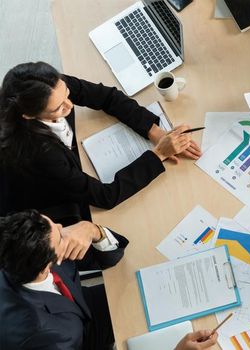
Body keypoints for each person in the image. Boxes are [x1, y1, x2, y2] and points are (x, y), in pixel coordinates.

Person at [0, 62, 200, 223]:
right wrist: (159, 154)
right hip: (44, 201)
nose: (70, 105)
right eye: (58, 108)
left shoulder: (49, 86)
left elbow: (107, 97)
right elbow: (106, 197)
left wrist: (153, 130)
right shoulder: (41, 154)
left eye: (68, 95)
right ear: (28, 115)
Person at [0, 210, 218, 350]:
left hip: (78, 307)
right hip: (77, 340)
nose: (61, 227)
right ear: (48, 263)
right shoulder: (44, 338)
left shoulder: (26, 247)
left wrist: (92, 230)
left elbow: (109, 258)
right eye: (58, 233)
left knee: (145, 289)